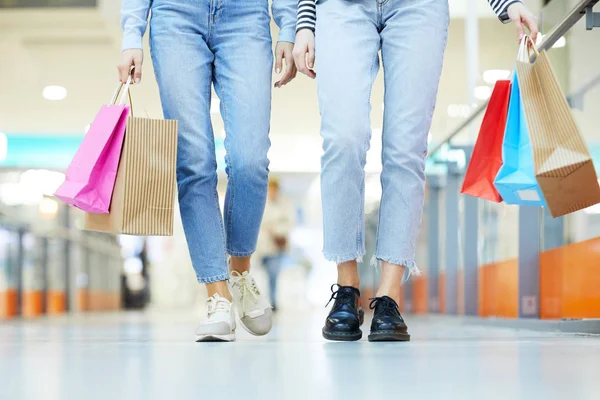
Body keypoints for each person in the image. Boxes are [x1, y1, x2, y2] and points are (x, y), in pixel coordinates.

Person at [292, 0, 538, 342]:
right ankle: (347, 288)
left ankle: (389, 296)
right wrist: (304, 21)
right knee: (342, 139)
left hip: (418, 8)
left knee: (406, 149)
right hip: (341, 7)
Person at [118, 0, 297, 342]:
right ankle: (217, 295)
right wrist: (131, 33)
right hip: (176, 16)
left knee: (250, 160)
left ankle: (239, 271)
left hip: (245, 15)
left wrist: (288, 24)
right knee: (193, 163)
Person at [257, 178, 296, 311]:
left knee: (273, 273)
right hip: (264, 247)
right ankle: (266, 300)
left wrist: (277, 232)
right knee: (266, 274)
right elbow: (260, 224)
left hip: (278, 246)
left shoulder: (285, 205)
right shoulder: (262, 204)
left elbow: (290, 223)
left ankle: (272, 301)